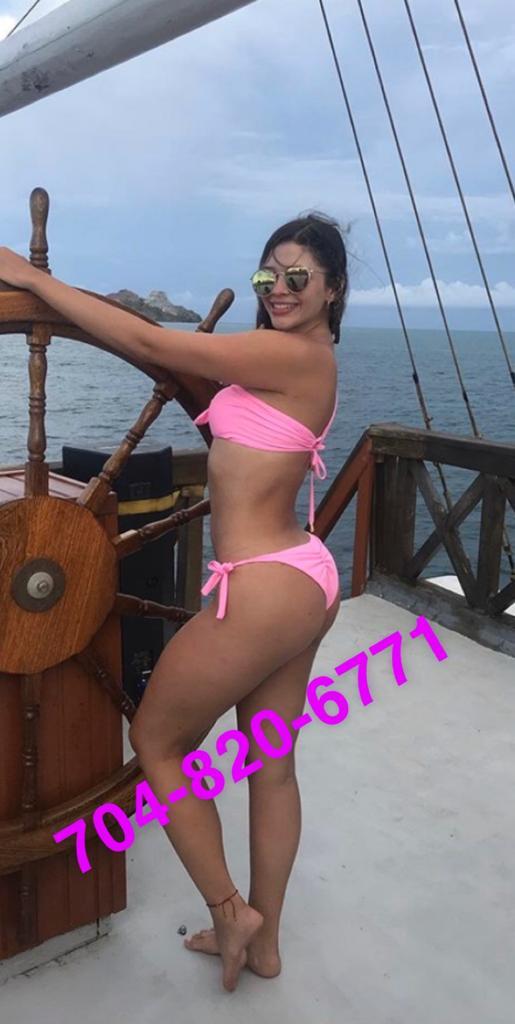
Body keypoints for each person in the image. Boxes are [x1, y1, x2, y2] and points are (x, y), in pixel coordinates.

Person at [0, 210, 348, 992]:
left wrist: (27, 280)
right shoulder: (304, 360)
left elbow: (151, 343)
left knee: (158, 743)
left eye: (298, 276)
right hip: (302, 575)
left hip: (263, 585)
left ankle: (230, 913)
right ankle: (264, 945)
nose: (280, 288)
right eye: (268, 275)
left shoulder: (288, 355)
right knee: (271, 769)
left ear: (331, 288)